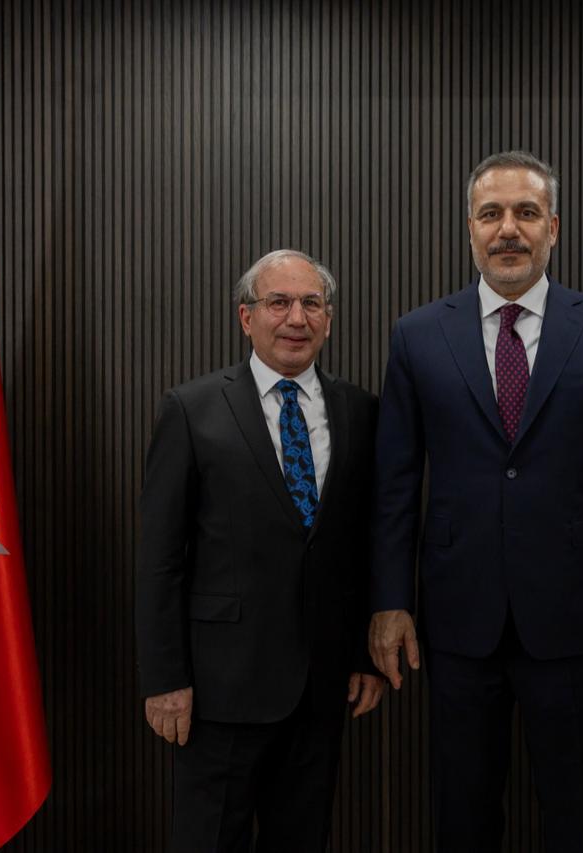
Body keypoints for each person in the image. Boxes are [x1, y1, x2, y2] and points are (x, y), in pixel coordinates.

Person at [369, 151, 583, 852]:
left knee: (574, 813)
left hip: (573, 620)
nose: (509, 229)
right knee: (463, 815)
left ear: (554, 228)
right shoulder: (418, 335)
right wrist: (390, 601)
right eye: (492, 214)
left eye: (526, 213)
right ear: (470, 230)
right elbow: (393, 483)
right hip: (455, 622)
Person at [136, 249, 385, 853]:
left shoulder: (361, 412)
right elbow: (159, 557)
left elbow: (366, 545)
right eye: (278, 303)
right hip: (219, 689)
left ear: (328, 319)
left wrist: (363, 654)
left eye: (311, 303)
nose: (295, 317)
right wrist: (165, 678)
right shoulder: (192, 410)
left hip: (321, 688)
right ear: (247, 318)